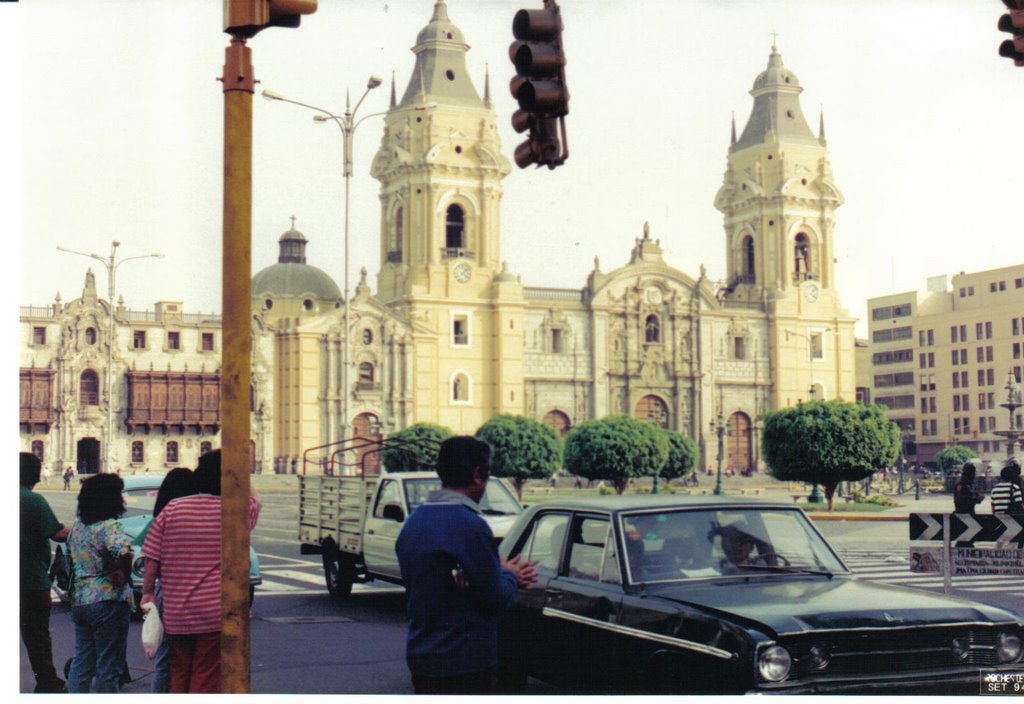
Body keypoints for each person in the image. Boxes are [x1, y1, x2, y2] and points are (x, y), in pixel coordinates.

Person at [395, 436, 537, 694]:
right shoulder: (470, 525)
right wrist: (510, 574)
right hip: (464, 662)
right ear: (478, 475)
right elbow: (496, 598)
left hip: (422, 656)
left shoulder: (414, 522)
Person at [140, 451, 260, 693]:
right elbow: (254, 501)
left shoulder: (173, 508)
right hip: (213, 612)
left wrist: (147, 592)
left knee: (179, 672)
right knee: (205, 676)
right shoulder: (233, 511)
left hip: (176, 613)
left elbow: (151, 555)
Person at [66, 473, 135, 693]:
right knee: (108, 664)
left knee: (82, 661)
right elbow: (124, 553)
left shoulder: (77, 527)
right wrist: (122, 572)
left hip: (80, 599)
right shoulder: (109, 526)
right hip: (107, 599)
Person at [136, 468, 197, 694]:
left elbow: (146, 550)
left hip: (168, 591)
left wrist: (148, 591)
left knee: (166, 658)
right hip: (199, 593)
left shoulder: (160, 517)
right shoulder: (196, 516)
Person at [20, 452, 69, 693]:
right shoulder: (33, 500)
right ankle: (47, 681)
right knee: (37, 637)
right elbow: (58, 533)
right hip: (30, 581)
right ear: (36, 475)